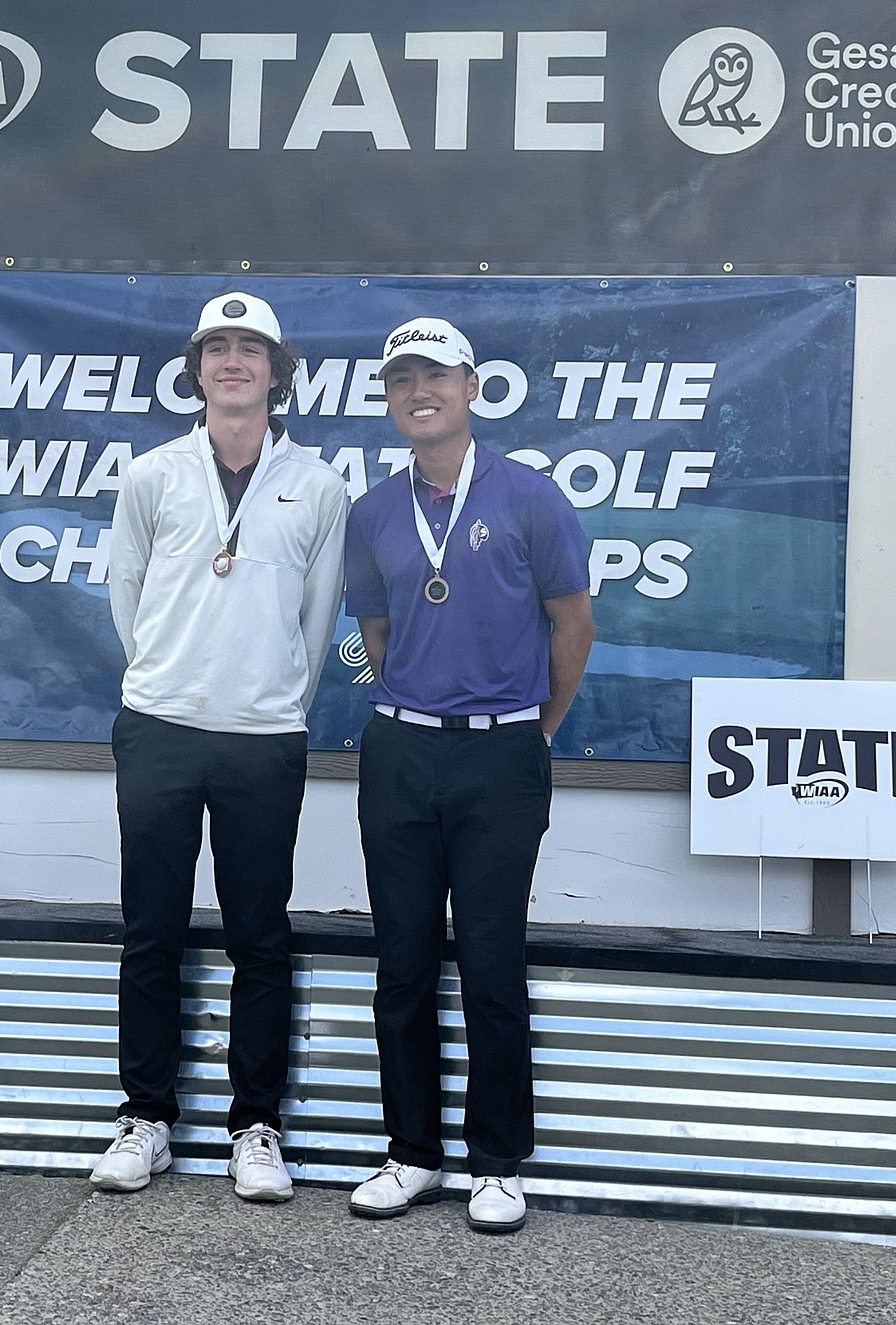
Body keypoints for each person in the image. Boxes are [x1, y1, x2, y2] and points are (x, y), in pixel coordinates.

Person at [90, 292, 347, 1199]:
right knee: (151, 929)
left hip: (263, 738)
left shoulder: (317, 484)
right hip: (159, 726)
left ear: (280, 372)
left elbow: (318, 623)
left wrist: (271, 698)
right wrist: (167, 679)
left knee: (260, 935)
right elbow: (125, 593)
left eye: (252, 350)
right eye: (217, 348)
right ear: (197, 367)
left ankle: (256, 1126)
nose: (233, 362)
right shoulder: (152, 472)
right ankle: (145, 1117)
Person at [344, 316, 594, 1233]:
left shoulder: (532, 497)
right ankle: (410, 1152)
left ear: (472, 388)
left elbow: (573, 626)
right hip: (400, 750)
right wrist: (417, 697)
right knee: (402, 960)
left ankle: (495, 1161)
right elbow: (373, 637)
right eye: (402, 375)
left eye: (436, 375)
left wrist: (532, 730)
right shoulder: (372, 512)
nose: (420, 390)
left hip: (502, 754)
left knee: (491, 960)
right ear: (388, 396)